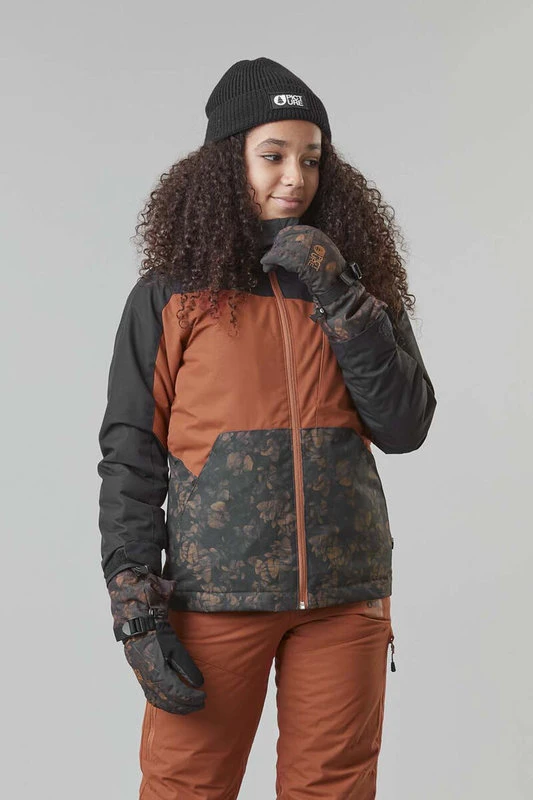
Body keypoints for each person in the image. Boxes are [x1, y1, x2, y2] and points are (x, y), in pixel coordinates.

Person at [97, 56, 437, 800]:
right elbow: (131, 453)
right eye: (273, 155)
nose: (295, 177)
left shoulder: (352, 287)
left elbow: (404, 424)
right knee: (186, 788)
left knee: (334, 791)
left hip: (344, 595)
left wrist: (339, 292)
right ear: (229, 163)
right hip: (216, 596)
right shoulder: (171, 294)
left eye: (311, 159)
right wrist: (134, 607)